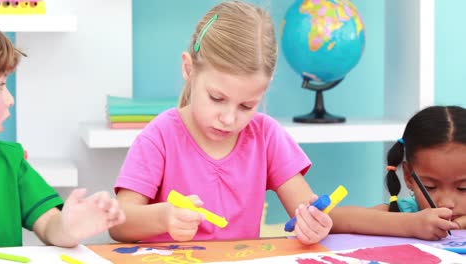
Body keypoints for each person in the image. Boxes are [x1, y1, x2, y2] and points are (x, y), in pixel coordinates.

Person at [109, 1, 332, 245]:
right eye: (217, 98)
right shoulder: (160, 136)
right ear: (188, 69)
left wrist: (314, 224)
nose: (228, 119)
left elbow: (304, 208)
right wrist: (163, 217)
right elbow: (118, 225)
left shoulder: (266, 136)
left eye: (246, 106)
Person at [0, 30, 126, 247]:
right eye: (0, 86)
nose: (10, 99)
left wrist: (69, 226)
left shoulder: (11, 161)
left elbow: (50, 225)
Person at [330, 106, 466, 240]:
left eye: (463, 188)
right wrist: (410, 224)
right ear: (408, 176)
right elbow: (332, 218)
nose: (447, 203)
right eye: (430, 186)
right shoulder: (404, 211)